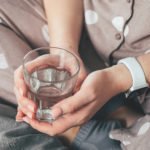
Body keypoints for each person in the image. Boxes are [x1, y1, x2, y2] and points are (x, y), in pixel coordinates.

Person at [1, 0, 150, 150]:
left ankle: (84, 128)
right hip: (84, 36)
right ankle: (104, 120)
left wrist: (120, 77)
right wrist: (63, 51)